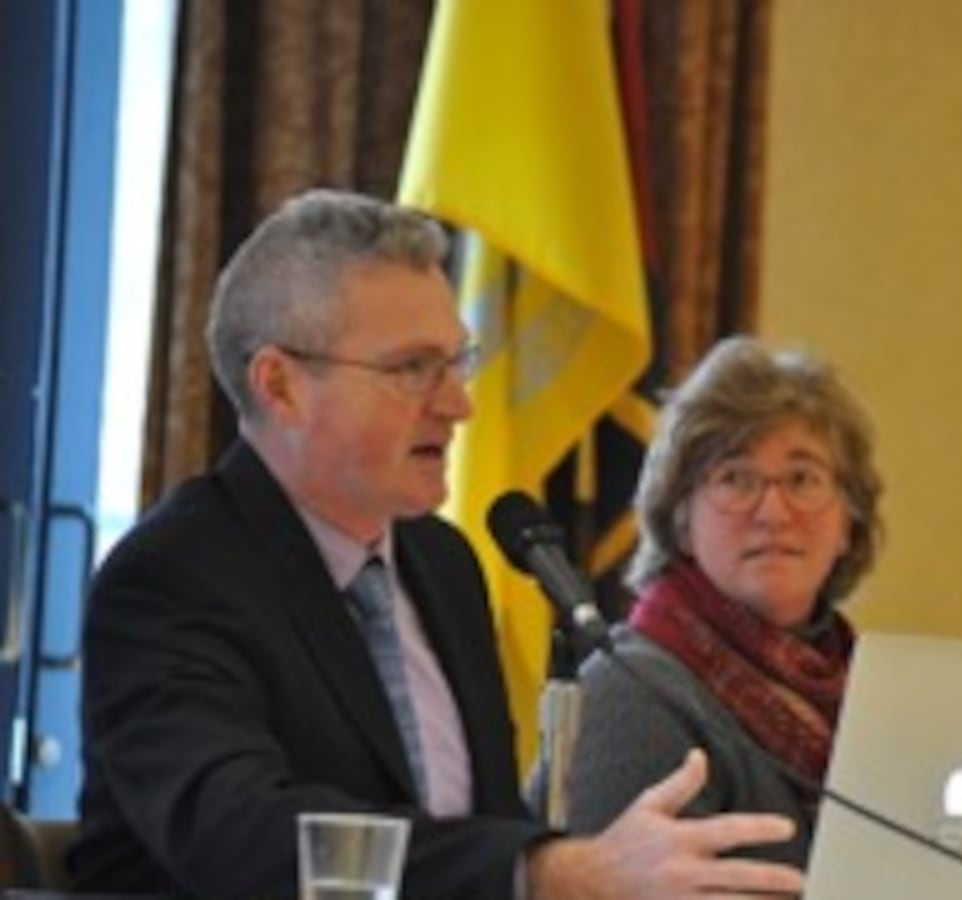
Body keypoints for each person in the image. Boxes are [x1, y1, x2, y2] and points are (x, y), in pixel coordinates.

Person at [68, 189, 805, 900]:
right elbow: (243, 840)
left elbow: (484, 829)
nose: (459, 403)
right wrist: (548, 875)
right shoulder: (172, 577)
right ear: (280, 386)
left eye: (458, 361)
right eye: (413, 368)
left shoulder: (441, 564)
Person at [561, 337, 884, 867]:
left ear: (848, 521)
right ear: (681, 518)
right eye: (735, 478)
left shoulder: (870, 693)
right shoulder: (630, 689)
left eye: (803, 478)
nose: (773, 512)